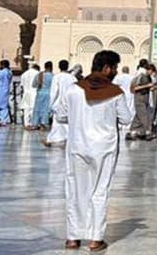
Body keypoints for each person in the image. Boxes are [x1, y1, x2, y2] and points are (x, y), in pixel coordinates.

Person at [57, 49, 133, 251]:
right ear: (107, 68)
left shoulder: (74, 90)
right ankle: (96, 239)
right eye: (114, 67)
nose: (116, 72)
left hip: (77, 146)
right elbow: (126, 119)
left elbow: (60, 116)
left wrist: (79, 117)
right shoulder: (115, 93)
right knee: (99, 192)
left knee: (75, 189)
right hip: (104, 148)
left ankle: (73, 237)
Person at [45, 59, 76, 146]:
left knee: (57, 123)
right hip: (70, 103)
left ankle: (52, 139)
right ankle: (66, 138)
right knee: (68, 123)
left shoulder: (57, 77)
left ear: (59, 67)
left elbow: (54, 92)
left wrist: (50, 104)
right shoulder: (72, 78)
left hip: (59, 103)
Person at [127, 60, 155, 141]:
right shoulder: (140, 75)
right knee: (144, 116)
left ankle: (131, 132)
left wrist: (151, 88)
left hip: (145, 99)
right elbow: (134, 88)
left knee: (138, 117)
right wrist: (147, 86)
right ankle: (147, 132)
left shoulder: (147, 77)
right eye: (151, 71)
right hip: (139, 99)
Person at [32, 61, 55, 130]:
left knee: (37, 108)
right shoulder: (53, 76)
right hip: (49, 94)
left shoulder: (39, 75)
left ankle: (35, 123)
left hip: (40, 93)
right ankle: (43, 124)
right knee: (46, 109)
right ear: (51, 67)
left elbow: (33, 85)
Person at [21, 63, 40, 128]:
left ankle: (26, 124)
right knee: (33, 109)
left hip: (26, 93)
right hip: (34, 93)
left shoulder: (24, 74)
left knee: (26, 109)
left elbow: (22, 85)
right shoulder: (38, 73)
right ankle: (33, 123)